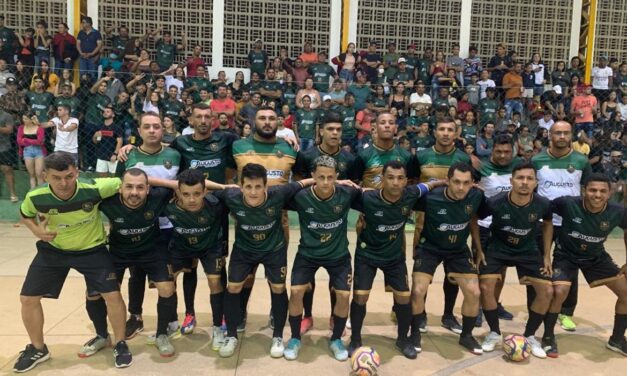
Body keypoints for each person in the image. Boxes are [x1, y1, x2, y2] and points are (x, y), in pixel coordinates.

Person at [14, 152, 132, 372]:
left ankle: (121, 343)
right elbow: (25, 214)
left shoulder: (94, 188)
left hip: (92, 250)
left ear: (77, 172)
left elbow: (130, 180)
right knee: (28, 298)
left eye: (69, 176)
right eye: (56, 177)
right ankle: (38, 348)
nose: (64, 183)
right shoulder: (35, 196)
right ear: (45, 175)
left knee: (113, 295)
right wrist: (37, 231)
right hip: (54, 251)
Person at [215, 163, 314, 358]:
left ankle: (277, 336)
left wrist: (337, 181)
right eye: (248, 187)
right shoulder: (230, 196)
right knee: (233, 287)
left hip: (273, 250)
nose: (253, 192)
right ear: (240, 186)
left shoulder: (279, 193)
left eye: (258, 186)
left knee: (278, 288)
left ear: (266, 186)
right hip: (244, 251)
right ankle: (231, 335)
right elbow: (202, 188)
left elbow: (304, 182)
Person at [349, 161, 437, 359]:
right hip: (367, 255)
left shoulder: (411, 194)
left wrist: (443, 182)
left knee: (403, 298)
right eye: (390, 177)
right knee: (360, 297)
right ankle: (355, 339)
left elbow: (428, 186)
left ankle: (402, 339)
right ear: (382, 179)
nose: (395, 182)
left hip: (394, 257)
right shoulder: (367, 197)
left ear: (406, 180)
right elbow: (343, 192)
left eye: (400, 178)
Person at [86, 168, 177, 357]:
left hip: (152, 250)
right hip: (118, 253)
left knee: (167, 288)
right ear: (119, 188)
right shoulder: (107, 201)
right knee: (94, 293)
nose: (134, 193)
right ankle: (102, 335)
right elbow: (81, 190)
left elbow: (186, 185)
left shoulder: (159, 196)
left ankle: (161, 335)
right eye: (129, 187)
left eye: (140, 187)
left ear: (148, 189)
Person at [284, 155, 360, 361]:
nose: (325, 182)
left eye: (330, 177)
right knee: (297, 291)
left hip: (338, 255)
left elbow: (371, 196)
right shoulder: (301, 196)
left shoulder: (347, 193)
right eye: (320, 177)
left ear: (337, 176)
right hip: (308, 254)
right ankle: (294, 338)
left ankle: (336, 339)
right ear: (312, 176)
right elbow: (276, 194)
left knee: (344, 295)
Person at [542, 173, 627, 357]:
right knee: (559, 292)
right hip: (566, 255)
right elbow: (545, 214)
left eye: (602, 191)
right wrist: (546, 255)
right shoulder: (567, 203)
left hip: (596, 257)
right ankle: (548, 337)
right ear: (583, 191)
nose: (597, 195)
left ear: (610, 193)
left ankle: (617, 340)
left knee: (626, 293)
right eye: (592, 190)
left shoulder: (618, 211)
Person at [478, 162, 554, 358]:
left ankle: (530, 335)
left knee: (547, 290)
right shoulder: (495, 201)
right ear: (511, 181)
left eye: (529, 179)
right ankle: (494, 332)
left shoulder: (542, 203)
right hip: (498, 248)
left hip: (527, 250)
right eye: (520, 178)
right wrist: (479, 249)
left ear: (536, 182)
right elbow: (474, 219)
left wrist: (546, 255)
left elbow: (547, 223)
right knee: (486, 287)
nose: (524, 182)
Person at [410, 163, 484, 354]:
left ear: (473, 183)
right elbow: (404, 198)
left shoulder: (476, 196)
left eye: (466, 183)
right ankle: (415, 333)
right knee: (418, 290)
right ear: (448, 180)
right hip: (430, 248)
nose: (461, 187)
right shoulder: (431, 197)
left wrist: (478, 247)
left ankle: (466, 335)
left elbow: (475, 218)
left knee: (474, 292)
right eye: (456, 182)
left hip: (458, 249)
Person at [531, 121, 591, 332]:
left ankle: (566, 312)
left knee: (569, 268)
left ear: (571, 135)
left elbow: (589, 190)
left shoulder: (581, 160)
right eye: (558, 133)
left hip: (571, 222)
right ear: (550, 135)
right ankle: (536, 306)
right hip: (542, 221)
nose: (562, 136)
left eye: (566, 133)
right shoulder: (537, 160)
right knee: (538, 265)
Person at [412, 117, 471, 333]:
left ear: (456, 133)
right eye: (441, 128)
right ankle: (420, 315)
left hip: (454, 225)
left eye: (450, 129)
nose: (446, 133)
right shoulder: (421, 156)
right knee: (422, 274)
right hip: (424, 225)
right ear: (434, 132)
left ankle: (448, 315)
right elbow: (411, 184)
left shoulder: (463, 158)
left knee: (452, 274)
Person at [162, 169, 228, 351]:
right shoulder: (167, 205)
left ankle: (217, 327)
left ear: (205, 192)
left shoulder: (217, 204)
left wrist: (225, 186)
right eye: (186, 194)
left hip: (210, 247)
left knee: (215, 282)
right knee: (169, 282)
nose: (192, 199)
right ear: (177, 192)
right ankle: (182, 317)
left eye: (197, 194)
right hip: (181, 247)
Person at [17, 112, 46, 189]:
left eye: (25, 119)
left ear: (31, 119)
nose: (23, 120)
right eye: (23, 118)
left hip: (39, 151)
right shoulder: (21, 127)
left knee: (39, 174)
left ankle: (41, 193)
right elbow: (19, 141)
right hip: (27, 152)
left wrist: (26, 140)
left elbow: (40, 142)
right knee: (31, 174)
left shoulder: (39, 128)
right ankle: (33, 193)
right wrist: (33, 141)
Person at [92, 106, 122, 177]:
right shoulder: (99, 126)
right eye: (104, 111)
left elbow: (120, 142)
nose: (105, 113)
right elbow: (95, 142)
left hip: (112, 156)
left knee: (114, 178)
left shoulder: (116, 127)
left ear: (113, 114)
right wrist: (95, 136)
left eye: (108, 111)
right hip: (101, 155)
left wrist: (115, 154)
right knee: (101, 179)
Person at [76, 17, 102, 82]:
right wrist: (80, 52)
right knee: (82, 75)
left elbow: (99, 45)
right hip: (82, 57)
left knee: (92, 75)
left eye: (83, 22)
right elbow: (78, 43)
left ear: (88, 23)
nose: (81, 24)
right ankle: (83, 91)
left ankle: (92, 91)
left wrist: (92, 54)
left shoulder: (96, 33)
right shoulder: (81, 32)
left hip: (93, 58)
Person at [0, 105, 16, 201]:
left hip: (4, 148)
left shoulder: (6, 116)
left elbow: (9, 130)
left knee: (7, 170)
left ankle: (12, 194)